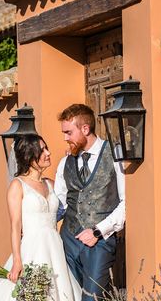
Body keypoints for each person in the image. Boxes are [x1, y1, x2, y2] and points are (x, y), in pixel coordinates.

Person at [0, 133, 82, 301]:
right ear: (29, 156)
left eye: (47, 148)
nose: (48, 153)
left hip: (56, 250)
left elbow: (69, 206)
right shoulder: (18, 185)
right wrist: (17, 260)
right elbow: (15, 226)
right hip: (32, 249)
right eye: (42, 150)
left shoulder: (51, 184)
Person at [54, 104, 125, 301]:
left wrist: (98, 231)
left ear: (85, 129)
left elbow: (126, 203)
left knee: (91, 298)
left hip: (99, 242)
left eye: (68, 132)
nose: (65, 138)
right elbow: (59, 204)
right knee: (69, 297)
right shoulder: (64, 163)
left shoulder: (115, 156)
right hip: (68, 241)